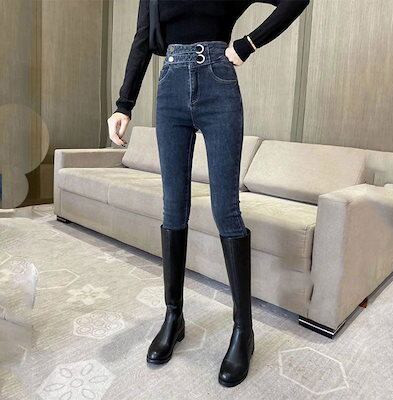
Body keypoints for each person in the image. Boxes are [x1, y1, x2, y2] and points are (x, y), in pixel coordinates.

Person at [107, 0, 310, 388]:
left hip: (218, 81)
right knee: (173, 209)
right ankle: (174, 316)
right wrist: (124, 104)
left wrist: (248, 44)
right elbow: (141, 40)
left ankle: (243, 330)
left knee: (225, 211)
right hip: (170, 85)